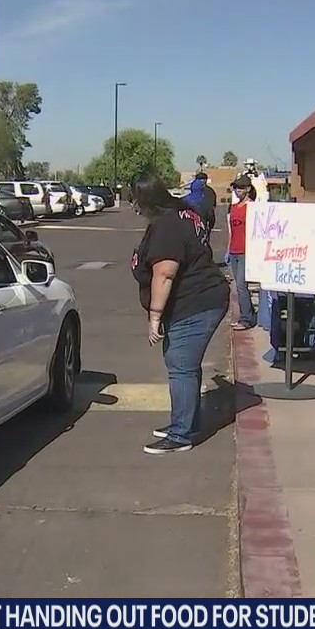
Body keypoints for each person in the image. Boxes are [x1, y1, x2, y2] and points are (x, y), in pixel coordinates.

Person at [129, 172, 230, 454]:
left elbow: (165, 274)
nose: (132, 206)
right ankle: (186, 421)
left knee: (180, 365)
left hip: (196, 302)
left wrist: (155, 317)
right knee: (185, 365)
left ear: (145, 200)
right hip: (201, 299)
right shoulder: (181, 213)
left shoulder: (168, 226)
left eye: (133, 199)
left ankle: (181, 434)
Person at [227, 176, 257, 331]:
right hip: (234, 251)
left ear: (248, 189)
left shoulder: (252, 208)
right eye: (236, 188)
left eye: (240, 188)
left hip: (246, 251)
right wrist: (228, 250)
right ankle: (248, 315)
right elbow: (231, 231)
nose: (237, 191)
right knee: (237, 286)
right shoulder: (233, 207)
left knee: (241, 285)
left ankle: (246, 319)